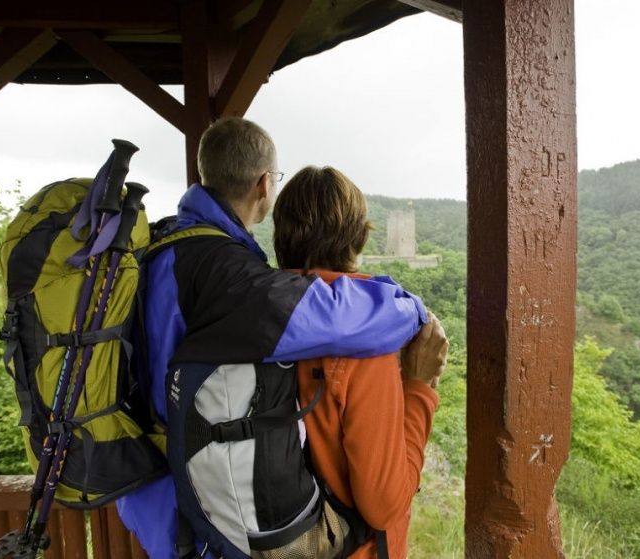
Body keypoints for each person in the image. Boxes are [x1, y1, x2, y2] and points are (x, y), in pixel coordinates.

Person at [116, 118, 447, 558]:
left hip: (178, 508)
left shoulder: (176, 256)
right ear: (262, 187)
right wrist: (419, 383)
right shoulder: (252, 294)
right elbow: (384, 504)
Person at [273, 166, 445, 558]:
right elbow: (383, 506)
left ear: (281, 237)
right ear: (358, 238)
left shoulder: (257, 317)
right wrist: (418, 390)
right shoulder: (367, 339)